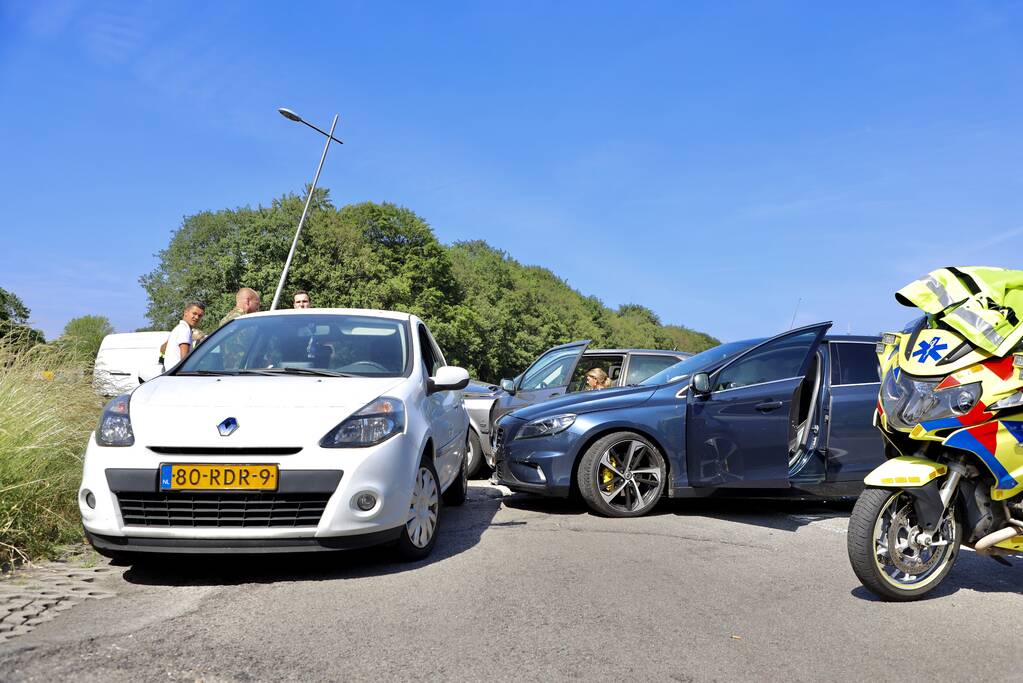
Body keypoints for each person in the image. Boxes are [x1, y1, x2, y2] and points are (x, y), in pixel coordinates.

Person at [162, 302, 204, 370]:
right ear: (186, 312)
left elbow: (163, 348)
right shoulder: (184, 329)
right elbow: (184, 359)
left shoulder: (179, 328)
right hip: (178, 376)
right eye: (194, 313)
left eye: (200, 315)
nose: (196, 317)